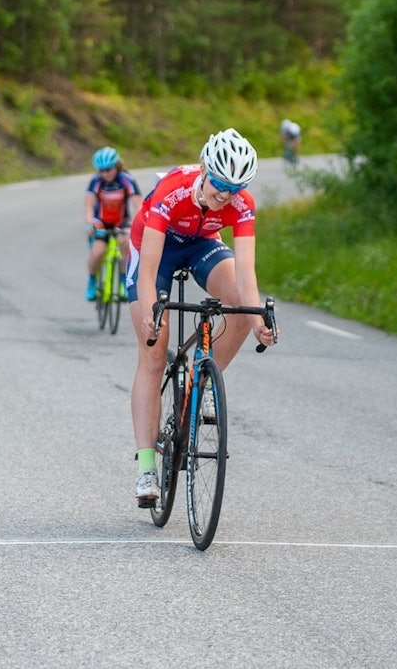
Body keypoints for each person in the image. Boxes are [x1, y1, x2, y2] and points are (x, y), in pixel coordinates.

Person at [126, 128, 276, 506]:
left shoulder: (241, 204)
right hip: (154, 248)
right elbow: (148, 272)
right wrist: (152, 313)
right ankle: (146, 467)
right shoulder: (172, 191)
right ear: (206, 170)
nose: (225, 194)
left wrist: (258, 319)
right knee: (154, 352)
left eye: (235, 187)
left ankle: (203, 379)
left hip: (202, 245)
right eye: (220, 184)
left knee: (241, 309)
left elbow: (246, 273)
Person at [84, 146, 142, 301]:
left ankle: (124, 280)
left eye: (108, 170)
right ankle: (92, 280)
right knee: (97, 251)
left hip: (121, 221)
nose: (105, 174)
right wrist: (89, 222)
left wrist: (138, 225)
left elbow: (139, 205)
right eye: (101, 170)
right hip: (101, 222)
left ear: (116, 166)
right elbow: (89, 205)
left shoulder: (126, 180)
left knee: (125, 244)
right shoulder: (96, 181)